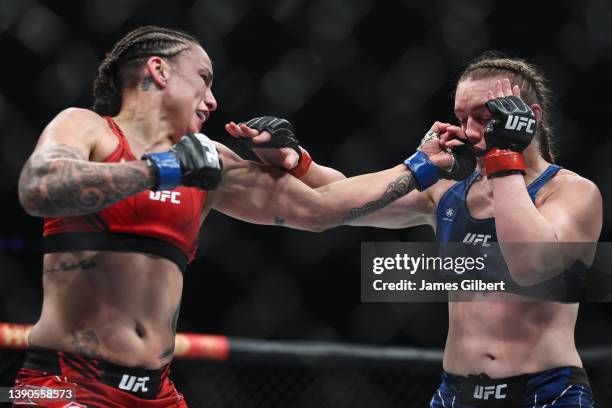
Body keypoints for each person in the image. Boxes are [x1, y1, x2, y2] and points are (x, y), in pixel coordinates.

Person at [15, 25, 454, 407]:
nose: (212, 100)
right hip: (61, 383)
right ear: (158, 70)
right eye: (203, 81)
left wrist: (417, 165)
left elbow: (319, 211)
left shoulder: (211, 163)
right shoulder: (87, 128)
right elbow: (38, 188)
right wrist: (160, 170)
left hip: (155, 392)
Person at [231, 53, 602, 407]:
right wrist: (295, 162)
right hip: (456, 394)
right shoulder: (448, 191)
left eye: (485, 117)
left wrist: (505, 155)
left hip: (545, 394)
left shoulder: (570, 193)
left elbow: (530, 264)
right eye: (462, 117)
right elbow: (345, 204)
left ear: (529, 117)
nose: (470, 131)